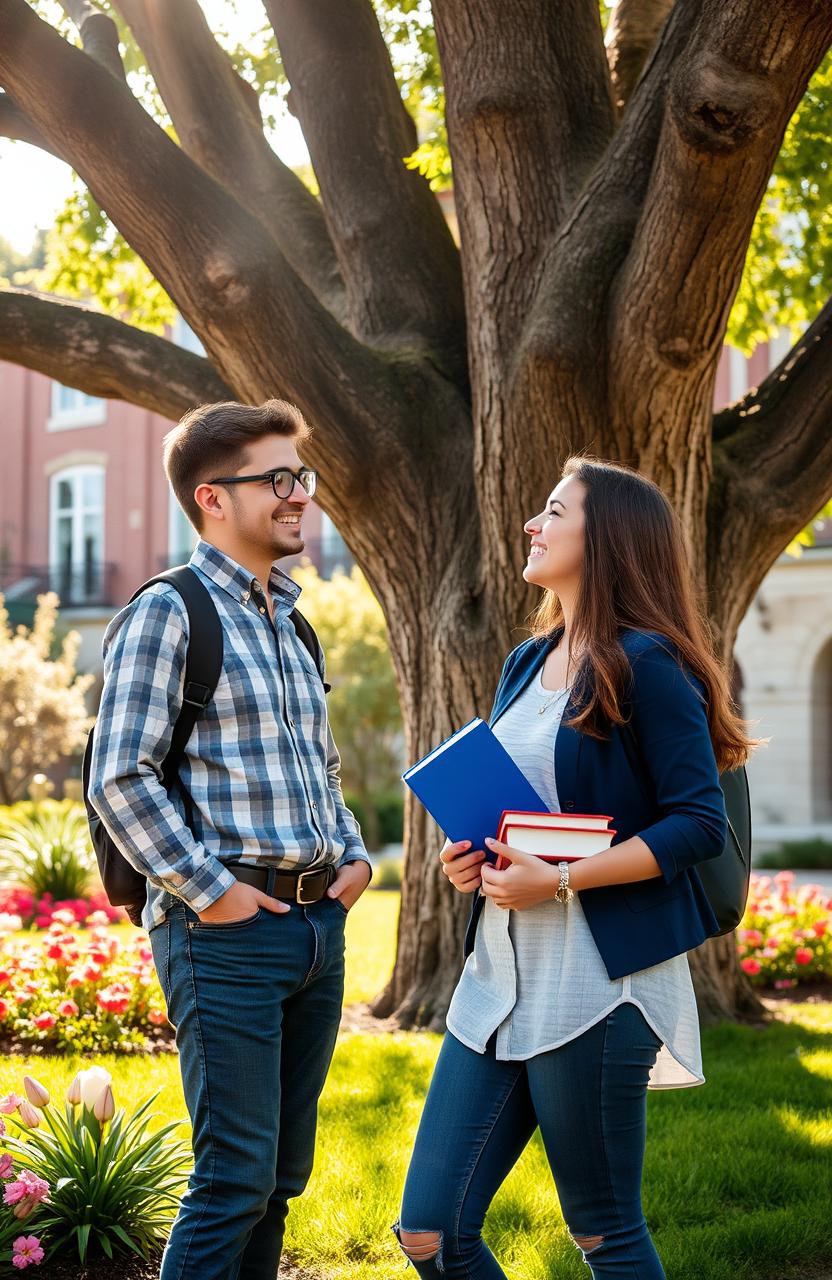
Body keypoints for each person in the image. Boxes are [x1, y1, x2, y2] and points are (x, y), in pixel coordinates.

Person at [395, 457, 754, 1279]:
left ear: (610, 539)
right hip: (497, 981)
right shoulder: (527, 662)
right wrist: (476, 856)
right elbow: (533, 813)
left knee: (604, 1233)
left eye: (554, 510)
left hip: (596, 986)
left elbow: (699, 824)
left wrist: (554, 880)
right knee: (430, 1232)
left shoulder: (648, 664)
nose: (533, 523)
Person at [88, 399, 372, 1280]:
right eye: (278, 480)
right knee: (232, 1179)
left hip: (316, 929)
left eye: (302, 477)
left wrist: (353, 854)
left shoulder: (291, 620)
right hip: (226, 937)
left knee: (280, 1178)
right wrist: (212, 892)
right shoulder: (169, 612)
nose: (299, 496)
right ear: (213, 498)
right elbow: (118, 776)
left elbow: (317, 766)